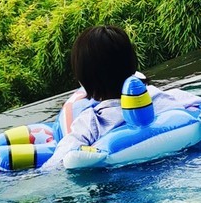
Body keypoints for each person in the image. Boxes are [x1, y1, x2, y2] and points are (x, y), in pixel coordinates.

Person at [39, 24, 139, 172]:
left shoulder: (91, 121)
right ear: (133, 64)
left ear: (84, 81)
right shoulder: (160, 97)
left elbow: (57, 164)